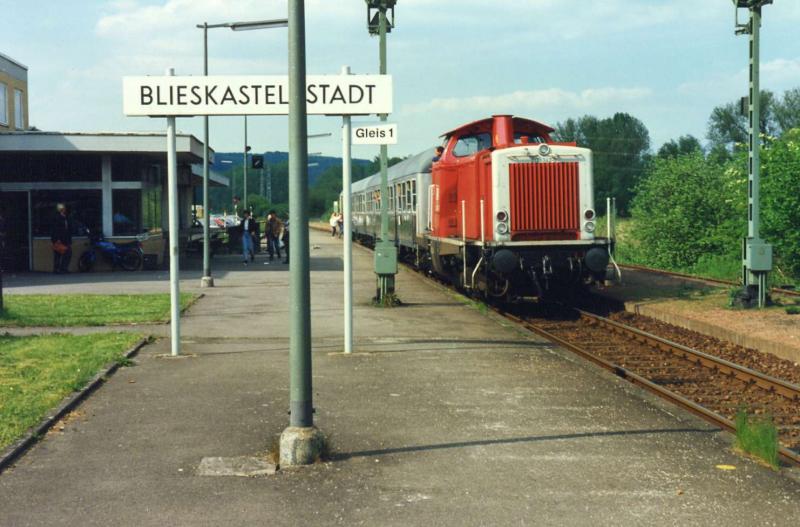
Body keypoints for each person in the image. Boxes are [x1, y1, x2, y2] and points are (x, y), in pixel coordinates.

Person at [51, 203, 73, 273]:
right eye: (63, 209)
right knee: (58, 254)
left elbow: (68, 228)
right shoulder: (56, 218)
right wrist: (56, 239)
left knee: (67, 253)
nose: (65, 210)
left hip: (66, 239)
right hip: (59, 239)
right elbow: (55, 229)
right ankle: (57, 269)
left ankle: (63, 268)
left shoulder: (66, 217)